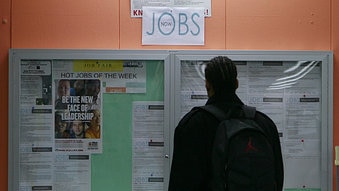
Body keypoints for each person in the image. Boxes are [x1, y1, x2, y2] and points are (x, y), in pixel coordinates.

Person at [168, 56, 284, 191]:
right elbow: (277, 178)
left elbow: (182, 182)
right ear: (236, 83)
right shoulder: (264, 124)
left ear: (207, 84)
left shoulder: (193, 125)